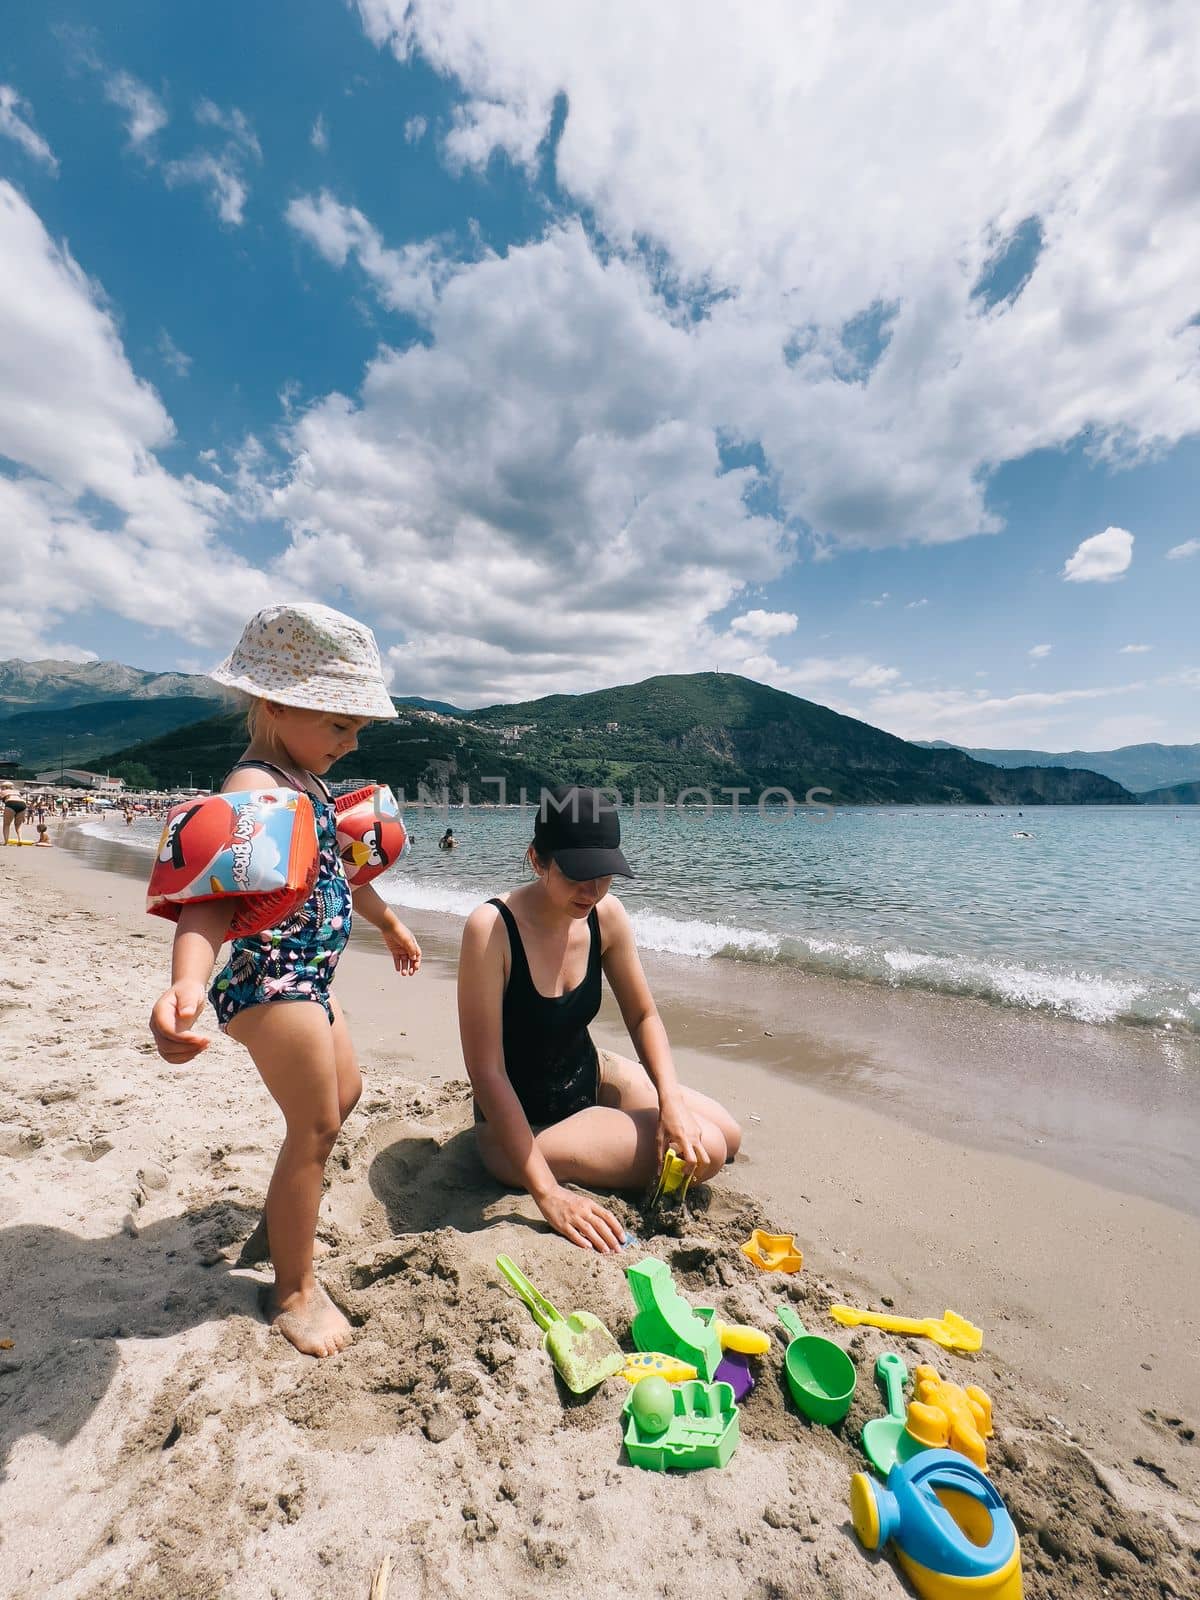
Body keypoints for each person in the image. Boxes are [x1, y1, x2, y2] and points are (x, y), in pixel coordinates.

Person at [149, 602, 423, 1358]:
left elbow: (336, 869)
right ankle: (294, 1289)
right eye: (338, 722)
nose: (352, 738)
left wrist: (391, 924)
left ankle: (283, 1215)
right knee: (316, 1124)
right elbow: (211, 901)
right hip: (270, 977)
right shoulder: (254, 786)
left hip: (307, 976)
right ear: (274, 703)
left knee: (345, 1094)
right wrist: (187, 986)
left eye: (357, 726)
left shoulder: (308, 783)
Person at [458, 786, 742, 1253]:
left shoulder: (604, 915)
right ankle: (596, 1140)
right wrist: (548, 1193)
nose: (592, 890)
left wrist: (669, 1100)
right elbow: (486, 1072)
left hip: (590, 1072)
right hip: (525, 1129)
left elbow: (642, 1013)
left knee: (728, 1134)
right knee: (705, 1152)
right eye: (577, 875)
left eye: (604, 874)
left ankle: (618, 1124)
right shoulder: (491, 930)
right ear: (536, 859)